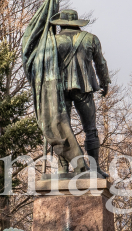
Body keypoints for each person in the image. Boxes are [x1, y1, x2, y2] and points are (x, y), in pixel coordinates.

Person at [48, 9, 111, 178]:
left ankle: (62, 169)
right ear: (77, 23)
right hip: (84, 88)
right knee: (91, 129)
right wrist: (105, 83)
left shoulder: (52, 41)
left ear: (61, 23)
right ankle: (94, 168)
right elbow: (101, 64)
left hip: (60, 91)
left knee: (61, 129)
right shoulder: (91, 39)